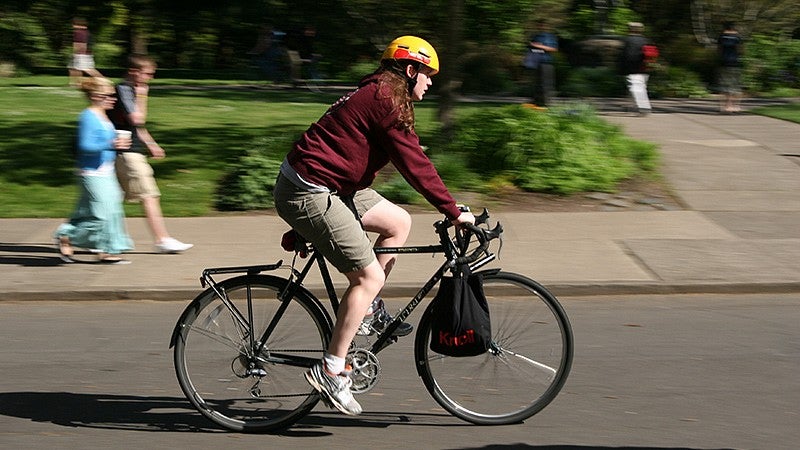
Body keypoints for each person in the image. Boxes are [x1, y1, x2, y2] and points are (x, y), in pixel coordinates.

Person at [272, 35, 475, 416]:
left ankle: (364, 311)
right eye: (428, 74)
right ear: (410, 71)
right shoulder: (386, 100)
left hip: (333, 185)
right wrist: (452, 211)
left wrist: (449, 207)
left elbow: (407, 159)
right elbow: (414, 164)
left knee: (398, 221)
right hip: (308, 190)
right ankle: (331, 370)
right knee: (367, 278)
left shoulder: (383, 93)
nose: (430, 82)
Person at [108, 54, 193, 254]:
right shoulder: (124, 90)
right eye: (147, 74)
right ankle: (162, 239)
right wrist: (143, 95)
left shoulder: (129, 90)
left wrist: (152, 145)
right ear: (133, 72)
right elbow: (137, 119)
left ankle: (77, 236)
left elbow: (138, 127)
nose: (150, 78)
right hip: (126, 152)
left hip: (128, 150)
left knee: (110, 200)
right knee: (149, 195)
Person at [55, 77, 133, 264]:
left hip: (105, 171)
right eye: (110, 95)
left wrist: (115, 144)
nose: (114, 98)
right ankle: (67, 237)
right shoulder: (88, 116)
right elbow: (85, 145)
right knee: (102, 214)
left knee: (108, 211)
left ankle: (106, 251)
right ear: (97, 96)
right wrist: (111, 143)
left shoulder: (103, 115)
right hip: (91, 173)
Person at [620, 22, 653, 115]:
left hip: (633, 68)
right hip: (646, 67)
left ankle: (644, 107)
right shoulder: (646, 40)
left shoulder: (627, 40)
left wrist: (622, 68)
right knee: (638, 86)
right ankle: (631, 107)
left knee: (636, 87)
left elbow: (626, 55)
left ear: (630, 29)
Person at [528, 22, 559, 107]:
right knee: (536, 84)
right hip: (536, 62)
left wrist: (539, 46)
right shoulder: (535, 36)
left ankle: (546, 104)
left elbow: (553, 49)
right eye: (539, 25)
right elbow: (531, 48)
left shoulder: (549, 37)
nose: (541, 27)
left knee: (546, 84)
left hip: (546, 63)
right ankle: (535, 102)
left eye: (542, 25)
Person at [718, 21, 744, 113]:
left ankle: (725, 106)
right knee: (735, 85)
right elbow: (740, 50)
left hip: (724, 62)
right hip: (735, 62)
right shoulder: (737, 37)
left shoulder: (722, 37)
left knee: (724, 85)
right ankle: (736, 105)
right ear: (733, 27)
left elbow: (719, 50)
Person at [68, 17, 102, 87]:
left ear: (78, 25)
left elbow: (82, 44)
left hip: (82, 54)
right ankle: (76, 83)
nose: (73, 26)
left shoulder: (79, 32)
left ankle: (102, 80)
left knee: (88, 69)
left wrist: (78, 52)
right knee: (73, 68)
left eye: (74, 24)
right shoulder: (86, 32)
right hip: (84, 53)